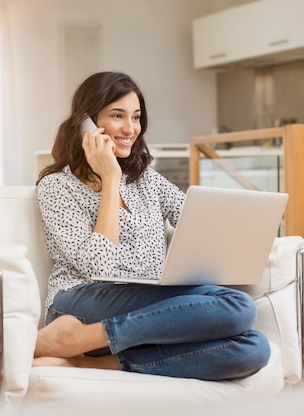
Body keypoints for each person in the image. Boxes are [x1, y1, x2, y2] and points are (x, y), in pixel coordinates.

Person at [34, 71, 270, 380]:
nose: (130, 128)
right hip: (81, 303)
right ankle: (76, 337)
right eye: (117, 116)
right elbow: (99, 265)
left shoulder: (147, 180)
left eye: (136, 117)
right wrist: (110, 179)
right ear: (87, 123)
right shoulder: (56, 186)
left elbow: (198, 221)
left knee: (254, 348)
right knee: (237, 305)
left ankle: (84, 357)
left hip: (149, 307)